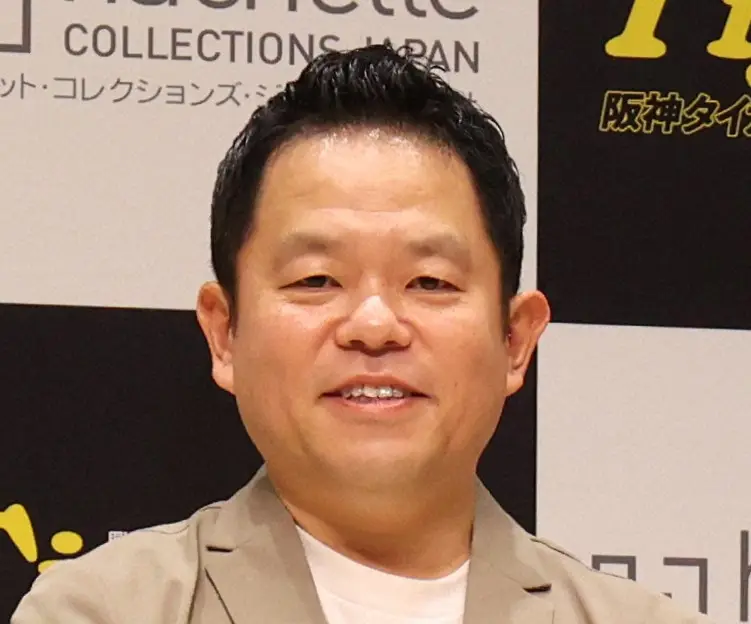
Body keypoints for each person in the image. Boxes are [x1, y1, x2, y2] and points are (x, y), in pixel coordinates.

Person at [12, 44, 710, 624]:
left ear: (515, 340)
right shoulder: (106, 610)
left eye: (429, 282)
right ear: (224, 333)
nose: (374, 325)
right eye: (316, 279)